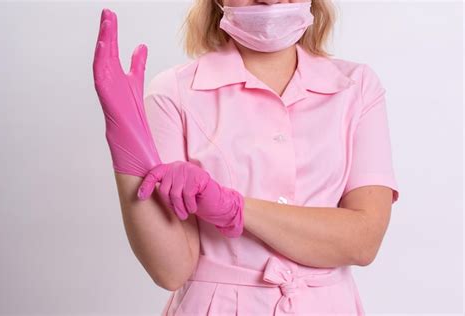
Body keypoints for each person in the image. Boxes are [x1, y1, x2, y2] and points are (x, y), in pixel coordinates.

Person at [93, 0, 400, 315]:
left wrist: (234, 208)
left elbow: (363, 241)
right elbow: (170, 270)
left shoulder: (357, 88)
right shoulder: (174, 93)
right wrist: (125, 138)